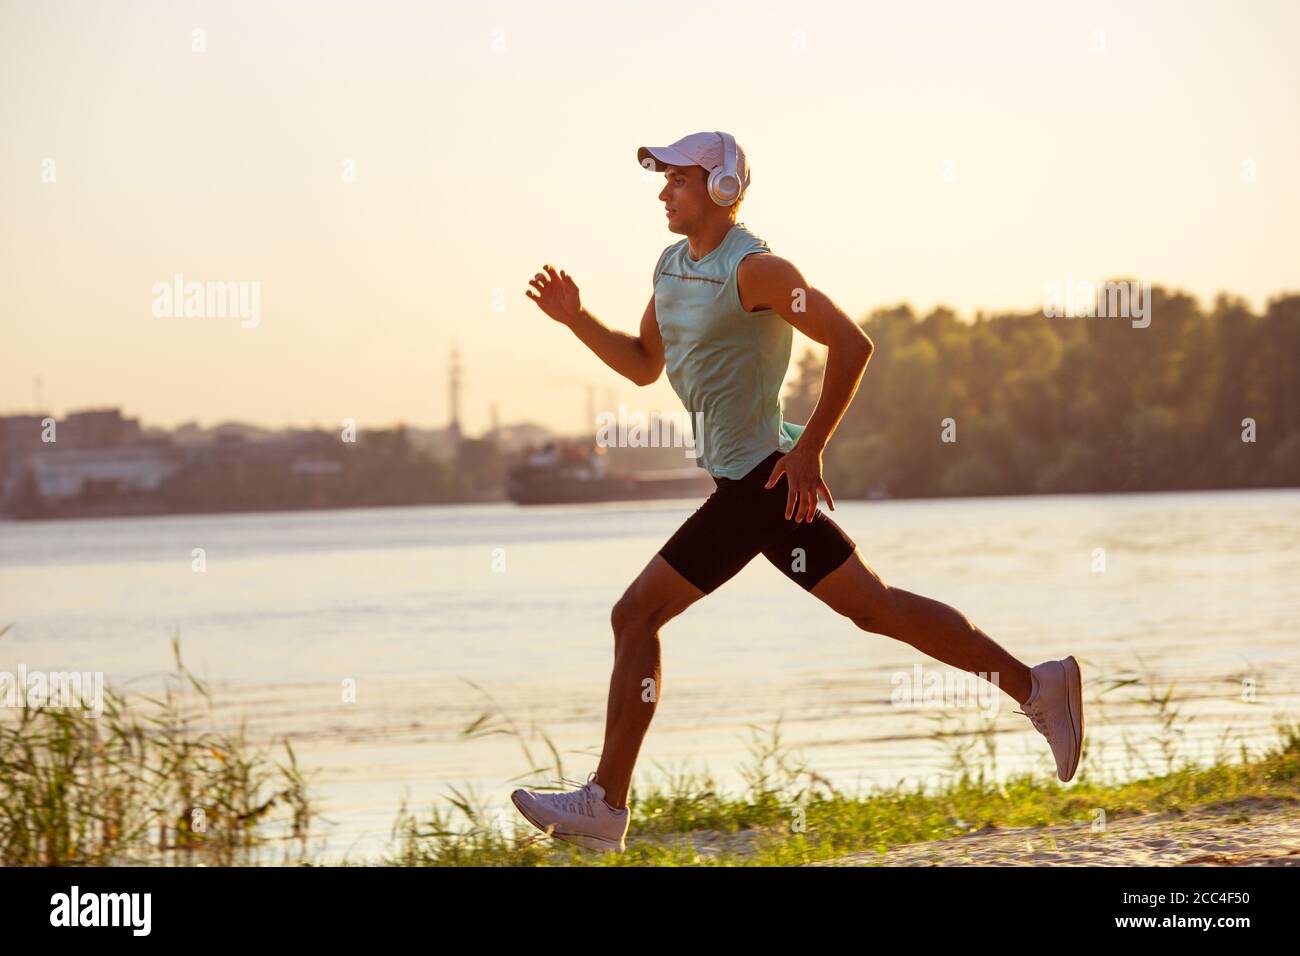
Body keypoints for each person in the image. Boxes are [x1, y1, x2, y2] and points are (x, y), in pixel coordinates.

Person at [514, 131, 1082, 853]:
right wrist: (576, 320)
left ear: (721, 188)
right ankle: (1038, 686)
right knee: (875, 608)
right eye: (662, 181)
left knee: (636, 614)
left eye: (677, 181)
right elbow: (640, 365)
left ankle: (604, 804)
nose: (663, 193)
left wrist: (811, 447)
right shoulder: (668, 267)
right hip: (755, 484)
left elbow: (852, 343)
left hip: (761, 480)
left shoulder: (757, 270)